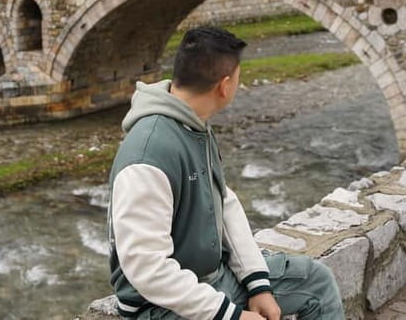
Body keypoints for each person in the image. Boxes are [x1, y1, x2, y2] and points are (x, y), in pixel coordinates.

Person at [108, 27, 344, 320]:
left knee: (315, 281)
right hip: (159, 307)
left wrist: (257, 284)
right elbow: (147, 268)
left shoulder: (194, 125)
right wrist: (230, 315)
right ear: (225, 85)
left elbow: (223, 202)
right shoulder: (148, 154)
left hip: (213, 277)